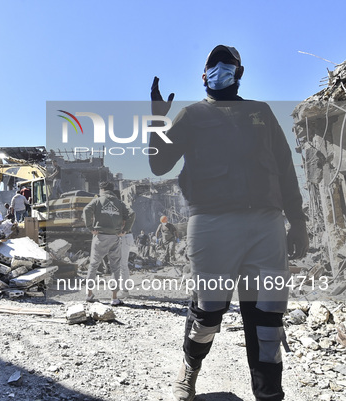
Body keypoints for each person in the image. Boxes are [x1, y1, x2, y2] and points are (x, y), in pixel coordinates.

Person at [149, 45, 308, 401]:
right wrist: (158, 119)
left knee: (268, 319)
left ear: (239, 73)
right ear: (203, 76)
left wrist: (297, 221)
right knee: (208, 313)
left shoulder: (261, 113)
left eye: (229, 64)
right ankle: (188, 373)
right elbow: (159, 165)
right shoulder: (190, 116)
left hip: (266, 225)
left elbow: (285, 169)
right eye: (213, 65)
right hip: (211, 224)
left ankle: (269, 394)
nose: (220, 69)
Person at [83, 181, 135, 306]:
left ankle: (89, 294)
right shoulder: (120, 203)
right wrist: (125, 230)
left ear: (102, 190)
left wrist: (90, 228)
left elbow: (86, 210)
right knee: (115, 267)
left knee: (93, 265)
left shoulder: (97, 200)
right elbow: (132, 214)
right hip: (115, 237)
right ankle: (114, 298)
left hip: (99, 237)